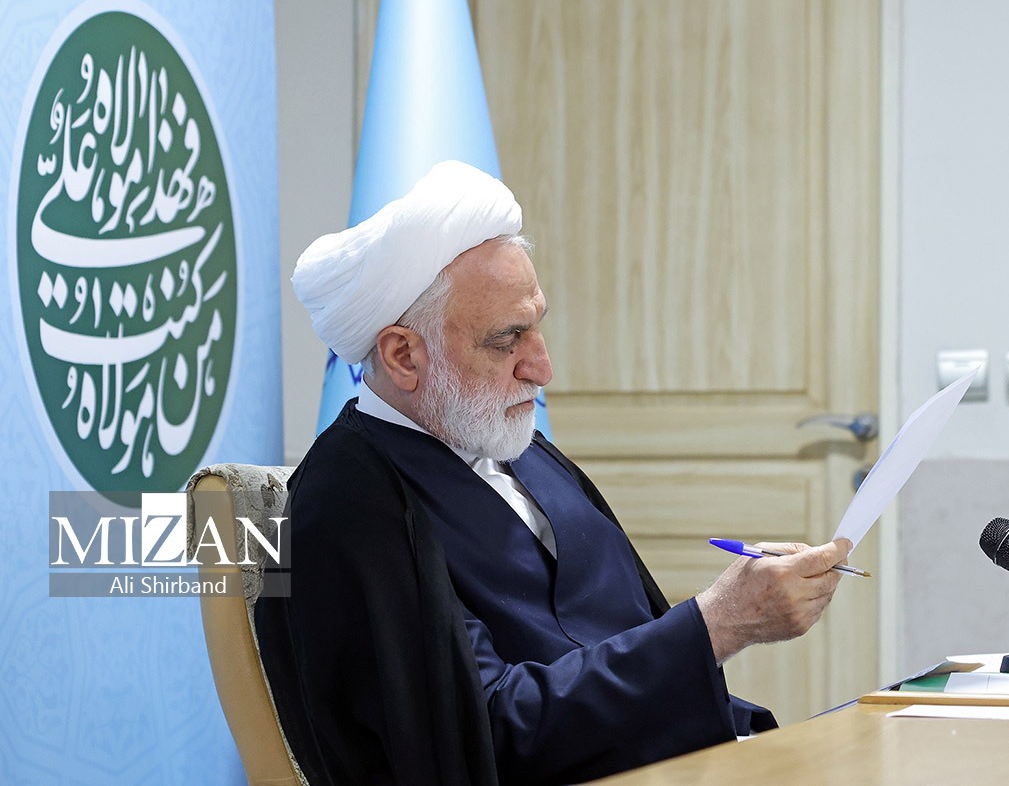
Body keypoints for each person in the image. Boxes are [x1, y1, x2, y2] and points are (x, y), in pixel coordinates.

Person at [257, 161, 851, 786]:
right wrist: (719, 623)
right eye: (506, 339)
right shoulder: (344, 506)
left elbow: (630, 640)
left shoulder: (521, 449)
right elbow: (483, 739)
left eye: (536, 325)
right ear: (403, 355)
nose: (541, 368)